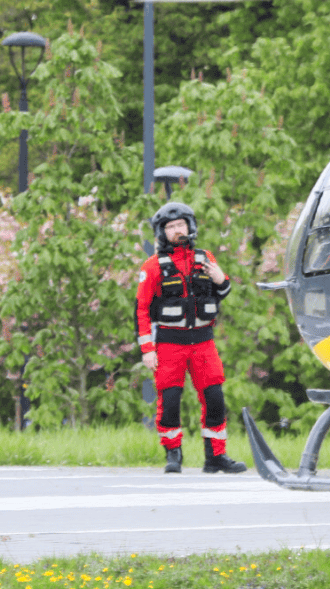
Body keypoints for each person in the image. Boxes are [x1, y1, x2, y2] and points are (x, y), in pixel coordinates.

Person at [135, 202, 247, 474]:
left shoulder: (205, 258)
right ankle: (173, 455)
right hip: (169, 344)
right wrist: (147, 349)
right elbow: (141, 310)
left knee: (215, 398)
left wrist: (221, 279)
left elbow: (223, 291)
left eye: (181, 224)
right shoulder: (152, 267)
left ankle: (215, 457)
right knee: (170, 400)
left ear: (190, 226)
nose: (177, 230)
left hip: (203, 343)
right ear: (162, 232)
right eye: (171, 227)